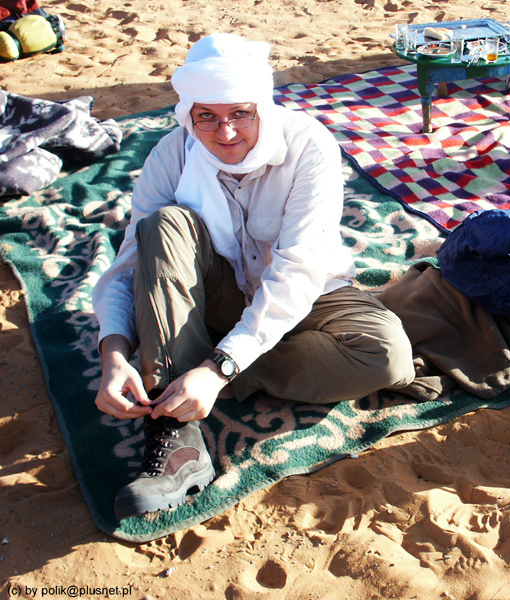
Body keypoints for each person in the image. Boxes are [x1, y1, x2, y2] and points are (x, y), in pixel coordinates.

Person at [92, 33, 415, 520]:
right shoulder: (171, 155)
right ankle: (174, 437)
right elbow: (130, 265)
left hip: (309, 293)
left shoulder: (308, 146)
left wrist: (218, 368)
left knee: (384, 357)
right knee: (164, 225)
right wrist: (113, 355)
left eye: (240, 114)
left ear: (262, 106)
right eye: (207, 117)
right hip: (215, 290)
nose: (224, 133)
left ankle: (192, 364)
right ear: (188, 114)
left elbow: (299, 272)